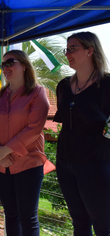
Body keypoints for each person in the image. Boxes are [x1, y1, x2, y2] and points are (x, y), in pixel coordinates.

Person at [0, 50, 49, 235]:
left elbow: (35, 128)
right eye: (3, 64)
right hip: (0, 164)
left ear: (25, 65)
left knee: (27, 217)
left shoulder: (37, 92)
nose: (5, 68)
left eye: (10, 62)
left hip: (28, 163)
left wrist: (6, 150)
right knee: (10, 215)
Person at [54, 31, 110, 235]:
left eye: (73, 48)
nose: (67, 53)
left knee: (103, 226)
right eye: (66, 49)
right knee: (79, 222)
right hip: (65, 163)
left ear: (90, 50)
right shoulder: (63, 86)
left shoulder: (107, 84)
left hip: (95, 164)